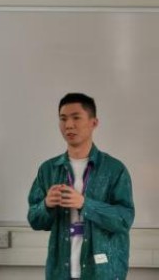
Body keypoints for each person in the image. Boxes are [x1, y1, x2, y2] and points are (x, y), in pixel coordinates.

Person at [28, 93, 134, 279]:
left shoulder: (114, 169)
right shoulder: (48, 169)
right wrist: (46, 205)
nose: (68, 125)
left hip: (102, 272)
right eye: (63, 119)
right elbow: (35, 220)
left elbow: (124, 220)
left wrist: (85, 204)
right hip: (61, 272)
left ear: (94, 123)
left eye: (76, 117)